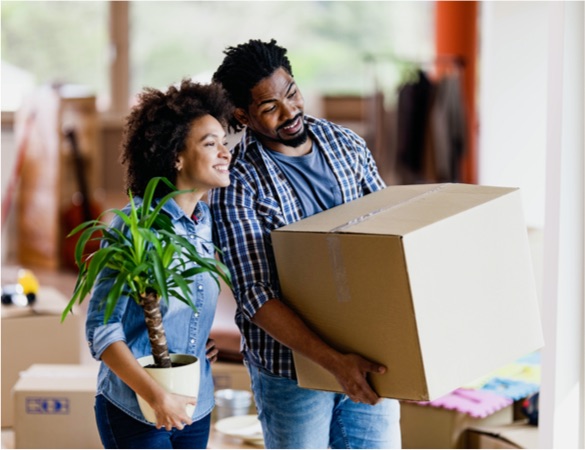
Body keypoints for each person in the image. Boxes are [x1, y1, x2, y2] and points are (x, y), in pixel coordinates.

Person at [210, 39, 401, 449]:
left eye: (292, 93)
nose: (291, 111)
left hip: (369, 352)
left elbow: (390, 239)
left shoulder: (346, 145)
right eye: (270, 107)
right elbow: (255, 296)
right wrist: (335, 363)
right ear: (242, 115)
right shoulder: (237, 184)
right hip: (290, 371)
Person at [85, 79, 232, 449]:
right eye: (210, 143)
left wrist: (195, 340)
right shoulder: (136, 226)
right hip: (136, 406)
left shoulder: (205, 221)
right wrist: (157, 396)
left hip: (195, 403)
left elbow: (181, 303)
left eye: (224, 142)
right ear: (176, 156)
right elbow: (101, 330)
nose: (225, 153)